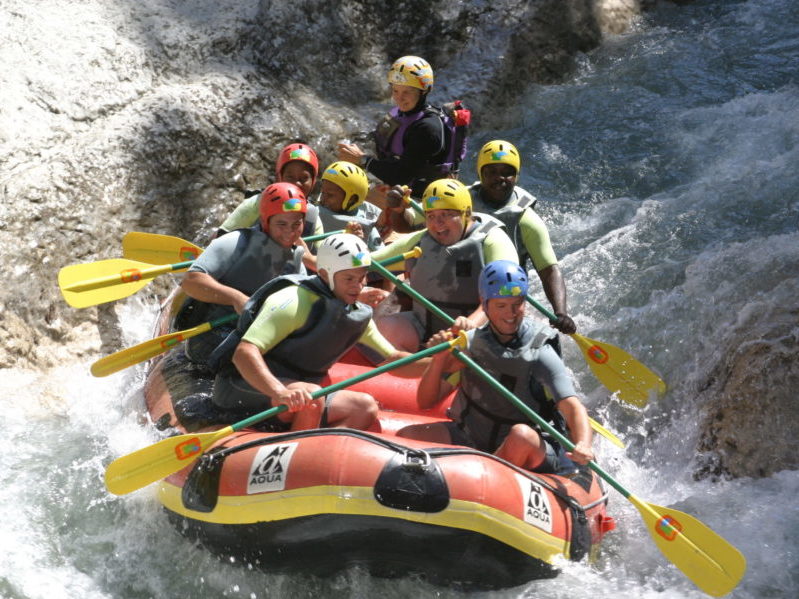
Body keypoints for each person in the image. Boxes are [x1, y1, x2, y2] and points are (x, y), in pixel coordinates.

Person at [211, 234, 428, 432]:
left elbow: (393, 359)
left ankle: (314, 449)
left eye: (362, 277)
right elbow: (244, 353)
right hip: (244, 386)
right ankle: (294, 457)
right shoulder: (293, 301)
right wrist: (279, 391)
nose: (358, 286)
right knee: (312, 396)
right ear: (325, 275)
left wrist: (441, 362)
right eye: (349, 279)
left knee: (364, 408)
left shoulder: (356, 314)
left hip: (300, 393)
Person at [397, 260, 594, 474]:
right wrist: (439, 359)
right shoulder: (471, 343)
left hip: (523, 448)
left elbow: (572, 406)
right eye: (501, 306)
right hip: (472, 436)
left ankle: (484, 477)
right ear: (485, 303)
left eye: (517, 304)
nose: (510, 314)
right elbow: (425, 402)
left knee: (521, 435)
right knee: (406, 438)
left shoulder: (540, 352)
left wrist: (583, 443)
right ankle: (477, 472)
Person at [369, 178, 519, 351]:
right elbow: (373, 261)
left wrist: (471, 323)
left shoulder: (493, 241)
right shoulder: (421, 240)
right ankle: (417, 364)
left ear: (467, 213)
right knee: (385, 328)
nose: (437, 224)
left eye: (446, 214)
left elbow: (505, 295)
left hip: (475, 332)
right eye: (431, 216)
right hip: (425, 328)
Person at [177, 182, 308, 365]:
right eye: (281, 223)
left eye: (296, 224)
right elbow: (191, 281)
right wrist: (236, 298)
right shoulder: (235, 242)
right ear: (265, 221)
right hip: (214, 337)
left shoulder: (295, 261)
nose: (289, 231)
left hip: (255, 338)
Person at [338, 56, 465, 233]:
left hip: (424, 202)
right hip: (402, 191)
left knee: (351, 208)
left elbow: (401, 175)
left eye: (407, 92)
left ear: (423, 91)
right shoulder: (405, 114)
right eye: (396, 91)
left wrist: (362, 160)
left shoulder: (427, 128)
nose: (399, 98)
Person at [469, 140, 576, 334]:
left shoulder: (526, 219)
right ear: (480, 174)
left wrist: (561, 312)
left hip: (503, 294)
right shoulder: (463, 202)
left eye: (507, 172)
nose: (499, 178)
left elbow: (549, 269)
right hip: (464, 282)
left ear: (516, 177)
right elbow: (410, 224)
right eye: (491, 171)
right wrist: (400, 211)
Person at [217, 142, 324, 251]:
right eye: (290, 177)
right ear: (279, 176)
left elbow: (323, 259)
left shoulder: (312, 217)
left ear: (313, 182)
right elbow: (220, 237)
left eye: (303, 178)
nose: (296, 183)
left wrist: (308, 259)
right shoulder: (257, 203)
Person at [318, 161, 384, 252]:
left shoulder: (367, 224)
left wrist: (359, 243)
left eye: (330, 195)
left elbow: (380, 256)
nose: (323, 199)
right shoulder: (317, 209)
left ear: (352, 199)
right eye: (322, 193)